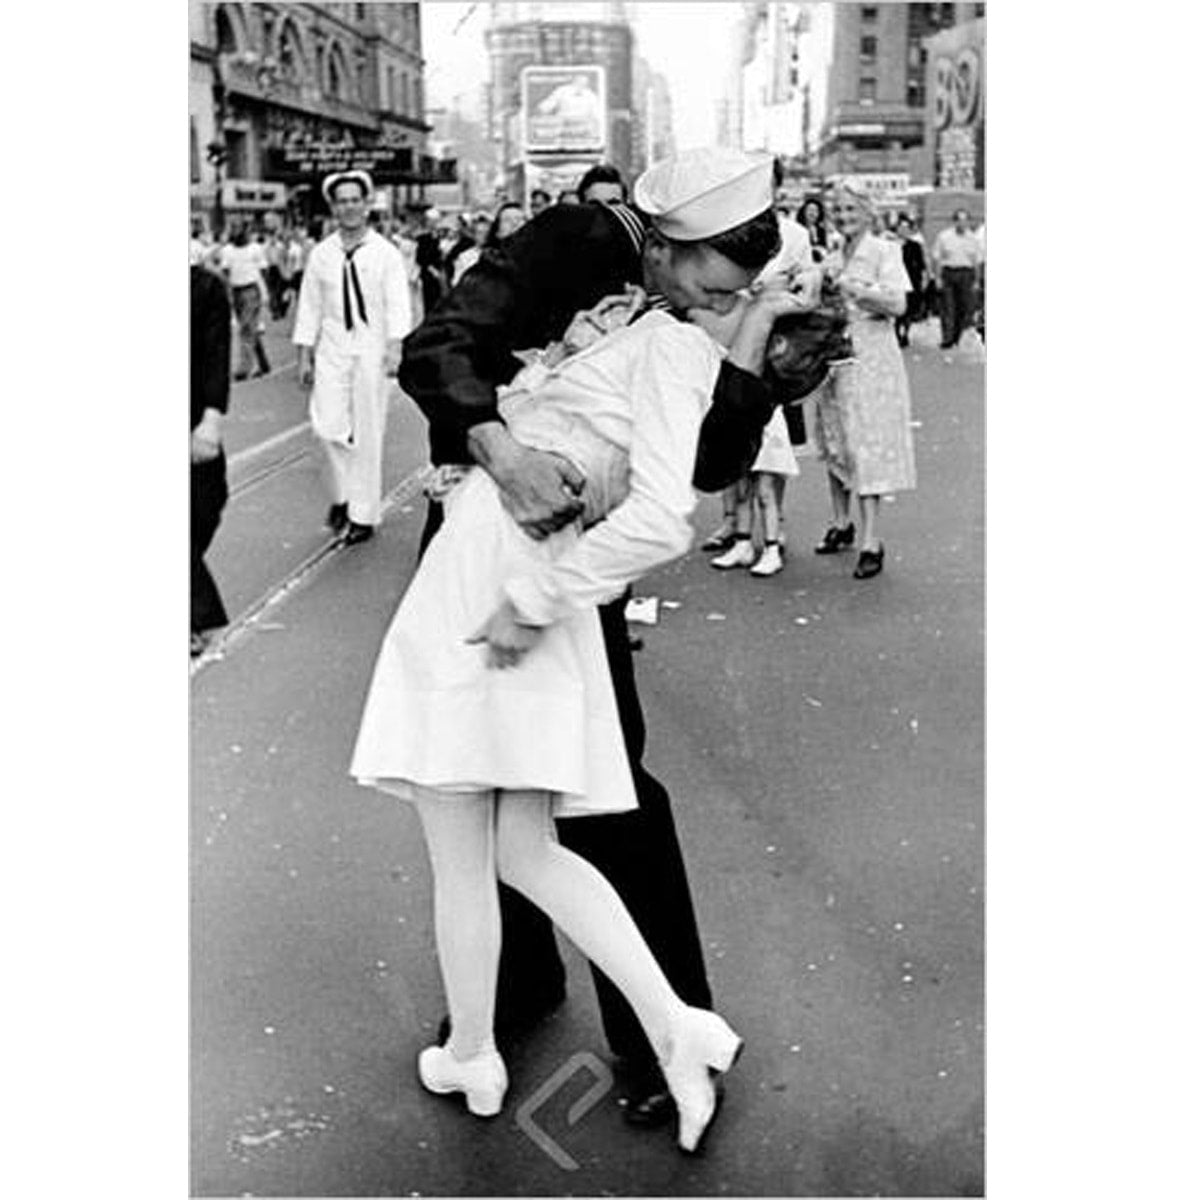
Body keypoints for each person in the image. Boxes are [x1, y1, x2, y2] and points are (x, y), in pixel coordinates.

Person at [356, 148, 801, 1152]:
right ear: (667, 240)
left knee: (590, 795)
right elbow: (439, 346)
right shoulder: (575, 241)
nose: (706, 301)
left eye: (732, 293)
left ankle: (650, 1035)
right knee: (497, 796)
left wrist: (755, 365)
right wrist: (502, 452)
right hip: (497, 521)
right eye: (704, 283)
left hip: (567, 560)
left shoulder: (697, 321)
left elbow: (706, 466)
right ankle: (514, 1002)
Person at [292, 170, 412, 545]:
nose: (349, 207)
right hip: (332, 348)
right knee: (326, 427)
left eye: (355, 200)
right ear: (333, 207)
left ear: (366, 204)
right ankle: (343, 495)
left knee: (368, 430)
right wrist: (304, 356)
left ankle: (363, 513)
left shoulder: (385, 254)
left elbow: (398, 304)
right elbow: (309, 307)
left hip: (371, 349)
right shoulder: (321, 255)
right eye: (341, 201)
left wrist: (395, 347)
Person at [810, 181, 917, 579]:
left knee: (866, 445)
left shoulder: (884, 251)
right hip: (835, 358)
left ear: (868, 213)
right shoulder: (833, 255)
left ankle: (872, 540)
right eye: (838, 211)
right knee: (835, 442)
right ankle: (842, 523)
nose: (843, 218)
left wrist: (852, 289)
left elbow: (898, 303)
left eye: (851, 210)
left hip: (872, 359)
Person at [191, 259, 232, 657]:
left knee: (208, 504)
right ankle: (205, 618)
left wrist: (211, 419)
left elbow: (217, 353)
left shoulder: (205, 287)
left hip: (194, 418)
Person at [220, 225, 271, 380]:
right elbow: (225, 271)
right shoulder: (227, 250)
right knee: (250, 329)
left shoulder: (255, 249)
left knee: (246, 328)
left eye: (241, 233)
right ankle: (263, 363)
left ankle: (244, 368)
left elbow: (264, 269)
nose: (238, 236)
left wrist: (262, 290)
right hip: (236, 290)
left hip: (251, 290)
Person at [931, 207, 982, 350]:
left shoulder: (973, 239)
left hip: (966, 274)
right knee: (948, 306)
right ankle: (947, 338)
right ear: (954, 222)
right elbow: (937, 257)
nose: (962, 223)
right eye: (959, 220)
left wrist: (977, 281)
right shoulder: (944, 236)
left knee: (963, 308)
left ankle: (956, 336)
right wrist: (937, 277)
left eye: (965, 220)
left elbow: (977, 261)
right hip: (949, 273)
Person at [893, 212, 927, 348]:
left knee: (909, 310)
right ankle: (896, 332)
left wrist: (924, 278)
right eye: (901, 228)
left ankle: (905, 333)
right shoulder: (891, 245)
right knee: (897, 310)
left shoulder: (915, 246)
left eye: (907, 229)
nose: (904, 231)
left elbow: (921, 264)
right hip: (895, 282)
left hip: (912, 281)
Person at [797, 197, 831, 263]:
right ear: (804, 212)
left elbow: (824, 247)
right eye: (810, 210)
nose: (812, 213)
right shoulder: (798, 229)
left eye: (816, 211)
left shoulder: (821, 230)